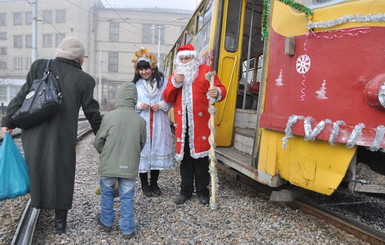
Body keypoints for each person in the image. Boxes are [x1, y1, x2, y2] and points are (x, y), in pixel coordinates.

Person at [0, 37, 102, 234]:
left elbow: (22, 96)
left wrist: (8, 122)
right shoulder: (84, 80)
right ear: (79, 58)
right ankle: (60, 222)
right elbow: (92, 113)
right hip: (63, 135)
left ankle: (38, 203)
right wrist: (103, 136)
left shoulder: (40, 66)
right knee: (63, 173)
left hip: (34, 130)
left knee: (37, 167)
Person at [162, 44, 227, 205]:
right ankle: (185, 191)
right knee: (185, 160)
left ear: (193, 57)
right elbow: (167, 98)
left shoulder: (205, 71)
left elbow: (221, 88)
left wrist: (216, 92)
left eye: (187, 57)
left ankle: (202, 192)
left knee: (201, 161)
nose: (185, 60)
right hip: (182, 125)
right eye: (182, 58)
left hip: (200, 125)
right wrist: (174, 84)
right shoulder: (175, 75)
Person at [94, 82, 146, 239]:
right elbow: (141, 144)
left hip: (109, 166)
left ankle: (107, 222)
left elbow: (98, 142)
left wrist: (106, 154)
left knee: (107, 194)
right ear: (134, 99)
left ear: (118, 98)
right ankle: (127, 229)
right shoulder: (140, 121)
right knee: (127, 197)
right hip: (129, 167)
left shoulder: (109, 117)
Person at [132, 48, 174, 197]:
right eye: (141, 69)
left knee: (157, 150)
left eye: (147, 68)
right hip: (142, 122)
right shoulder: (135, 85)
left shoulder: (163, 82)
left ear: (153, 67)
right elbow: (130, 103)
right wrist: (138, 106)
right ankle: (144, 184)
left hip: (158, 122)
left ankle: (154, 183)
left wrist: (162, 105)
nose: (144, 72)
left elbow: (170, 99)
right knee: (143, 150)